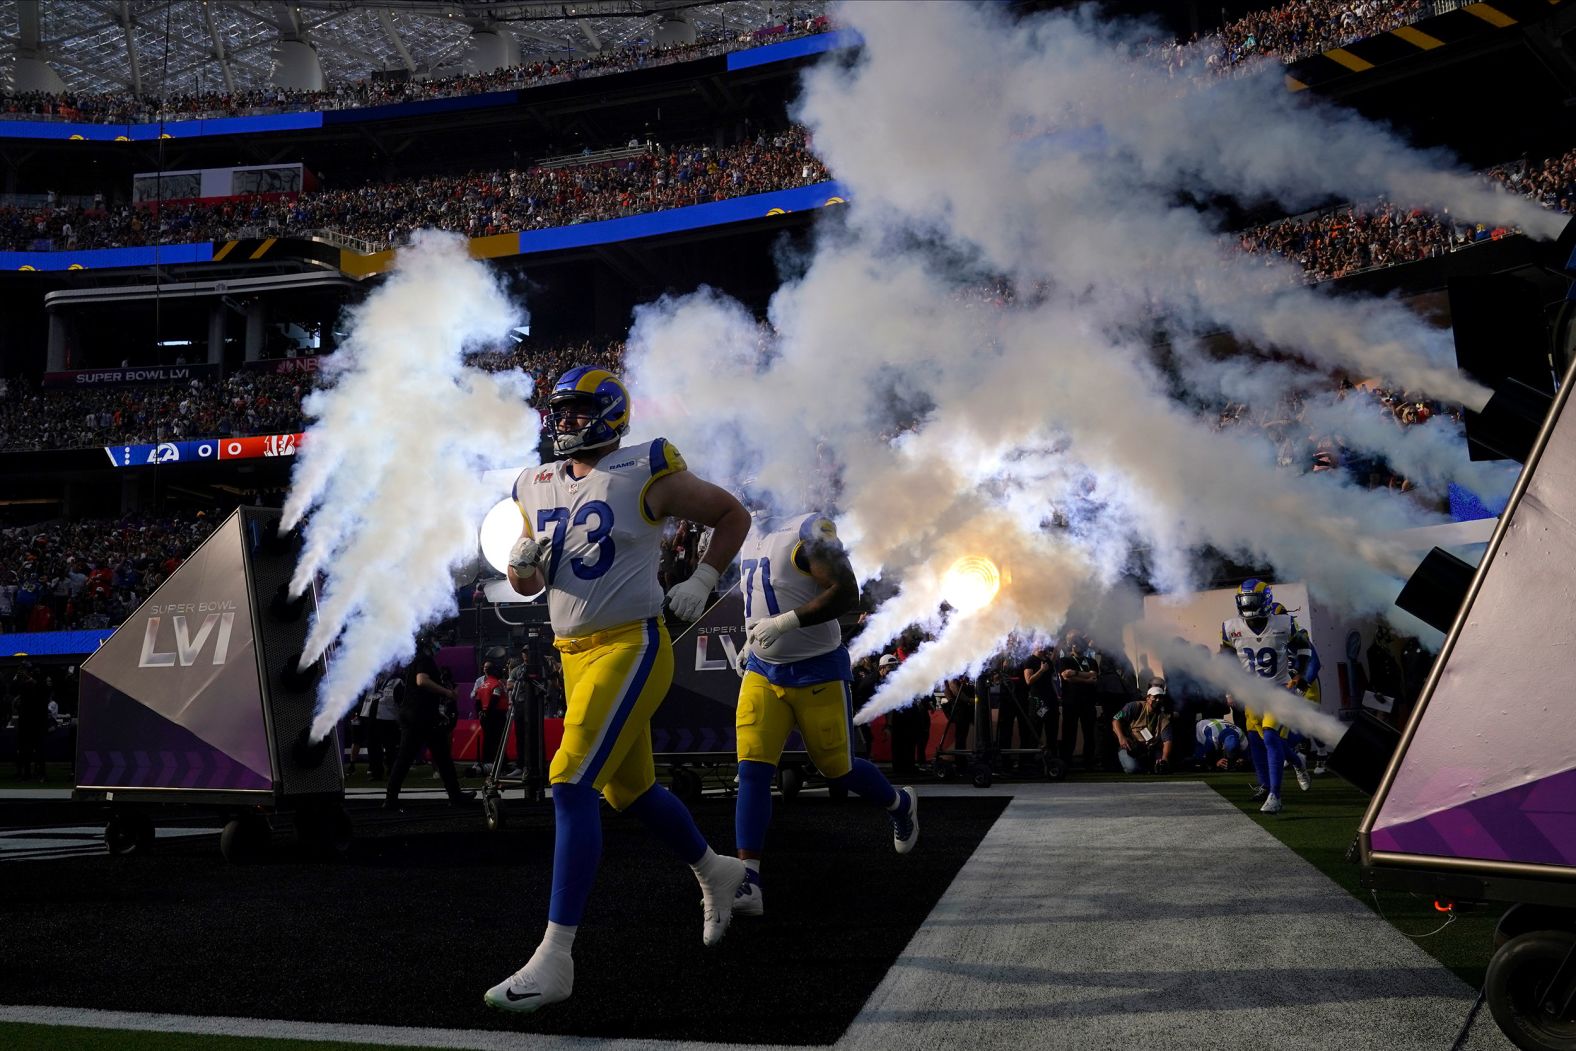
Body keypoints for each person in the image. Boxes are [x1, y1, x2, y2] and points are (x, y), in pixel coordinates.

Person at [485, 365, 752, 1014]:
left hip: (631, 643)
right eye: (560, 412)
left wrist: (705, 575)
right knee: (630, 789)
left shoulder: (645, 467)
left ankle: (556, 957)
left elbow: (730, 513)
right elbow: (528, 583)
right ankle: (719, 871)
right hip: (573, 654)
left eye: (577, 411)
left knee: (569, 781)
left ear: (608, 412)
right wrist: (523, 569)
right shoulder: (533, 482)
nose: (564, 422)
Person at [729, 505, 918, 918]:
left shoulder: (808, 528)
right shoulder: (748, 532)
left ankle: (899, 804)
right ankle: (749, 879)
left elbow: (846, 593)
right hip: (764, 670)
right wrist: (752, 639)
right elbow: (757, 597)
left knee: (838, 769)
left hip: (816, 668)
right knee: (753, 771)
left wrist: (785, 624)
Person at [1220, 580, 1320, 814]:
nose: (1248, 606)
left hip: (1278, 689)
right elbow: (1226, 658)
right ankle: (1294, 765)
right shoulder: (1230, 627)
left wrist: (1298, 677)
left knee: (1271, 737)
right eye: (1245, 601)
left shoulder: (1285, 623)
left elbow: (1305, 650)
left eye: (1253, 600)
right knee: (1257, 739)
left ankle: (1275, 795)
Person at [384, 634, 475, 809]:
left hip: (418, 715)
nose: (438, 644)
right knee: (432, 757)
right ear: (426, 643)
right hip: (420, 717)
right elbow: (422, 681)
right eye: (435, 640)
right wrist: (447, 693)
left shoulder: (414, 660)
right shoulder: (425, 660)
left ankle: (391, 798)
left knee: (430, 757)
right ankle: (454, 796)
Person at [1112, 684, 1174, 774]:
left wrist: (1164, 758)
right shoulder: (1134, 706)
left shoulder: (1163, 718)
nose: (1158, 700)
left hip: (1150, 749)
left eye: (1160, 698)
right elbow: (1115, 720)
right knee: (1131, 769)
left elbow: (1167, 740)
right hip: (1130, 747)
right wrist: (1121, 737)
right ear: (1147, 698)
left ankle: (1147, 767)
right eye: (1155, 697)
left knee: (1162, 766)